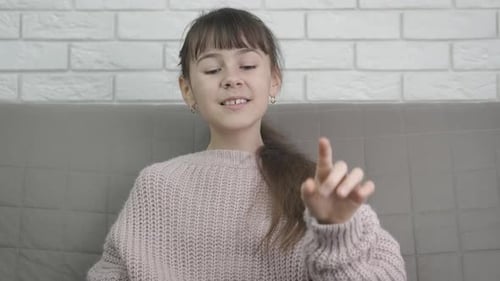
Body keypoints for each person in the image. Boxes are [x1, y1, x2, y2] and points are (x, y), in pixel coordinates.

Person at [87, 7, 406, 281]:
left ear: (274, 81)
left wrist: (336, 234)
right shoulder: (157, 183)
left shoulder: (318, 189)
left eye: (248, 65)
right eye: (212, 69)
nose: (231, 78)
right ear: (187, 91)